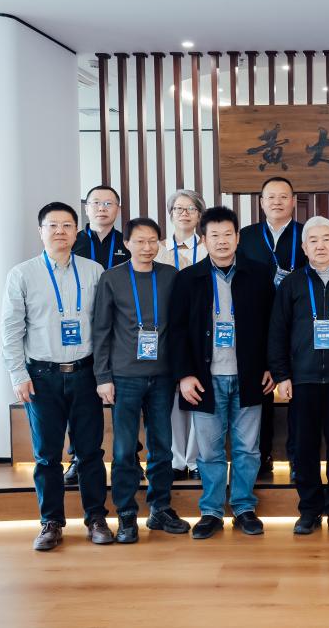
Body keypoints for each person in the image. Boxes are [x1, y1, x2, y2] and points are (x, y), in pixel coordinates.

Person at [0, 202, 112, 550]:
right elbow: (11, 328)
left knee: (90, 452)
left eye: (67, 225)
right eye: (53, 225)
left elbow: (104, 327)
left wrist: (104, 373)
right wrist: (18, 373)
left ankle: (96, 517)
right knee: (47, 455)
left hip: (85, 373)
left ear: (77, 231)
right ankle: (51, 522)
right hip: (42, 376)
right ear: (41, 231)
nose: (60, 231)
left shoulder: (94, 271)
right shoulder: (22, 274)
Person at [169, 206, 275, 539]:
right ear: (203, 239)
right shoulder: (188, 278)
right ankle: (211, 511)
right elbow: (176, 331)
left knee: (248, 449)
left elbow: (273, 325)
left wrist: (272, 366)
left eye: (228, 234)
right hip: (205, 378)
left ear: (238, 237)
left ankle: (243, 507)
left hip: (249, 375)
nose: (222, 241)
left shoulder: (258, 275)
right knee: (210, 451)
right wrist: (184, 375)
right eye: (214, 235)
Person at [92, 217, 191, 543]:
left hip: (162, 377)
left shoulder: (171, 276)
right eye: (139, 241)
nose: (147, 247)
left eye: (152, 241)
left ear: (160, 243)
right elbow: (101, 330)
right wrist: (103, 376)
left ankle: (160, 508)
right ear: (127, 244)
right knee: (123, 451)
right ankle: (126, 514)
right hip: (124, 377)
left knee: (162, 448)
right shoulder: (112, 278)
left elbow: (180, 326)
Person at [269, 216, 329, 536]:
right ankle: (309, 510)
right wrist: (282, 375)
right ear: (304, 247)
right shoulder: (292, 283)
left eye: (327, 239)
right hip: (303, 379)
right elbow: (277, 333)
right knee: (304, 448)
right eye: (313, 240)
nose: (320, 245)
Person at [238, 176, 307, 479]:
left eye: (283, 196)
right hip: (258, 324)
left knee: (299, 394)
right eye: (271, 197)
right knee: (261, 391)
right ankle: (262, 455)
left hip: (300, 324)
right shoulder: (246, 236)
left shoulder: (307, 233)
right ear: (262, 202)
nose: (277, 202)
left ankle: (298, 458)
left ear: (293, 201)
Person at [64, 184, 132, 485]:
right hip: (82, 332)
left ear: (118, 209)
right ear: (86, 208)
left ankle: (130, 458)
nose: (102, 208)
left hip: (121, 332)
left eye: (109, 203)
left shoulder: (127, 243)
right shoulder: (73, 242)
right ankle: (79, 457)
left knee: (125, 400)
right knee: (81, 401)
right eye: (96, 203)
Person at [155, 189, 208, 483]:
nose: (184, 213)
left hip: (200, 330)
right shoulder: (157, 248)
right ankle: (177, 459)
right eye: (178, 208)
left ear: (199, 215)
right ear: (171, 214)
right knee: (173, 396)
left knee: (198, 392)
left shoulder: (208, 247)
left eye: (190, 208)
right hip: (166, 330)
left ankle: (197, 458)